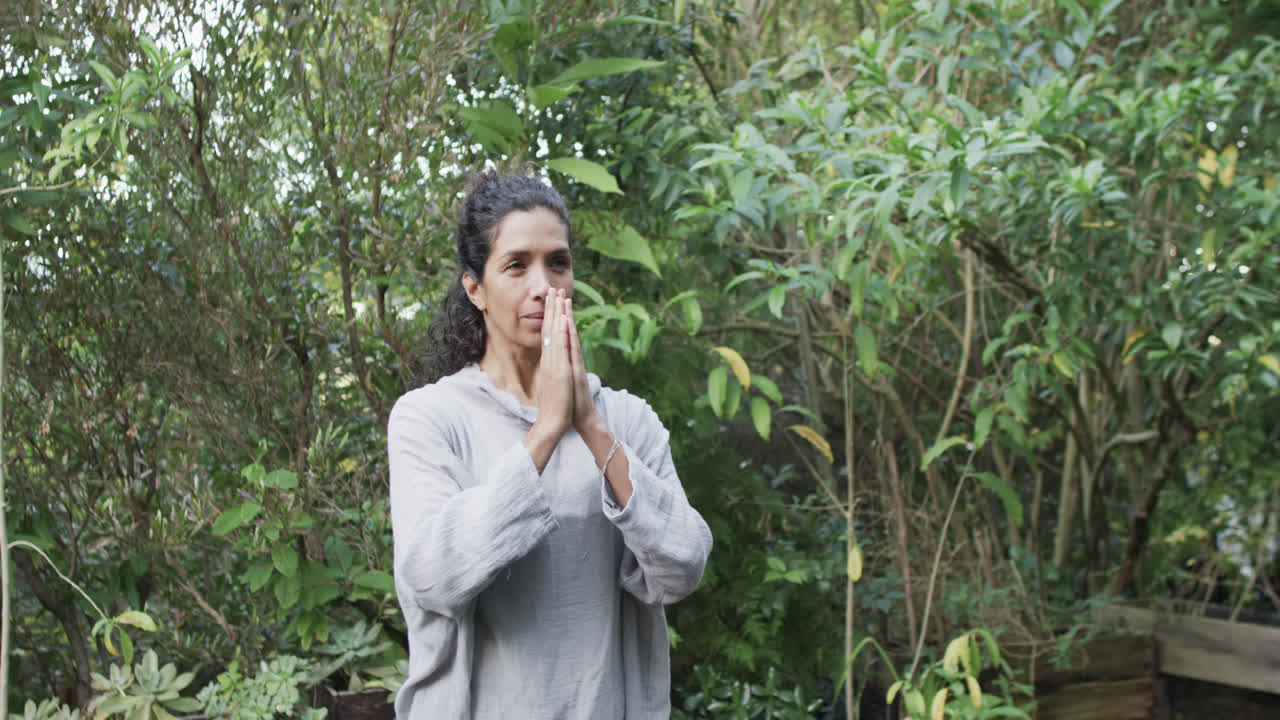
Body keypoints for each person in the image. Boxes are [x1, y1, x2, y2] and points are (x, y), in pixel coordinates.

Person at [388, 170, 713, 720]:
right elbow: (432, 578)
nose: (543, 284)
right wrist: (545, 432)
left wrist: (590, 426)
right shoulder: (430, 418)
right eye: (516, 265)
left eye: (557, 262)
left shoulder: (628, 420)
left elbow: (683, 568)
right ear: (475, 288)